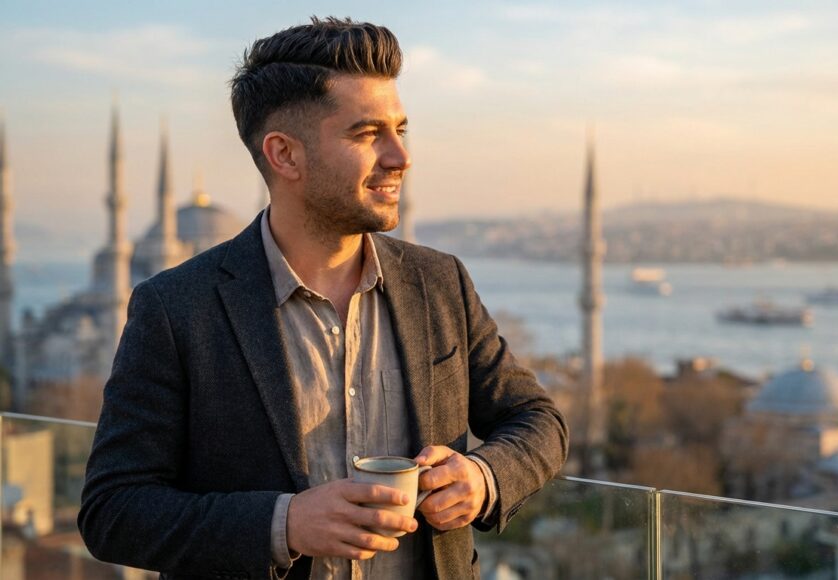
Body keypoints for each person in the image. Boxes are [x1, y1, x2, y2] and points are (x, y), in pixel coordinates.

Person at [78, 16, 568, 580]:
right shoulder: (178, 308)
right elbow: (113, 510)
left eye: (400, 130)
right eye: (367, 134)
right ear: (285, 155)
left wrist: (483, 478)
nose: (400, 157)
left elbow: (538, 420)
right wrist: (283, 524)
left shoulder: (439, 284)